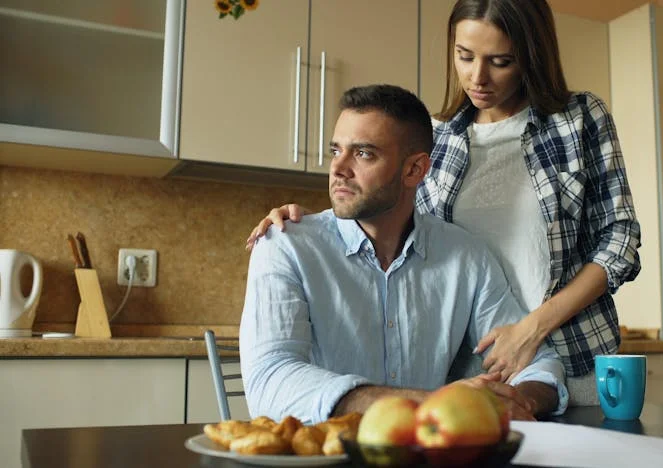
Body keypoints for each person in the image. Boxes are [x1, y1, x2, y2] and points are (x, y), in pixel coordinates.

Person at [246, 0, 641, 403]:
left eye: (500, 61)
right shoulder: (442, 136)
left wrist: (532, 328)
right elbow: (400, 223)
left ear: (531, 57)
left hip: (567, 354)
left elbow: (620, 239)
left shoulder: (579, 119)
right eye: (464, 56)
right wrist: (317, 228)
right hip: (469, 366)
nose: (477, 77)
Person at [240, 84, 568, 425]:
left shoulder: (465, 257)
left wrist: (518, 401)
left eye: (363, 153)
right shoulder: (284, 244)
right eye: (335, 150)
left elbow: (539, 365)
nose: (338, 168)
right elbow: (269, 382)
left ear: (415, 170)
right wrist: (429, 403)